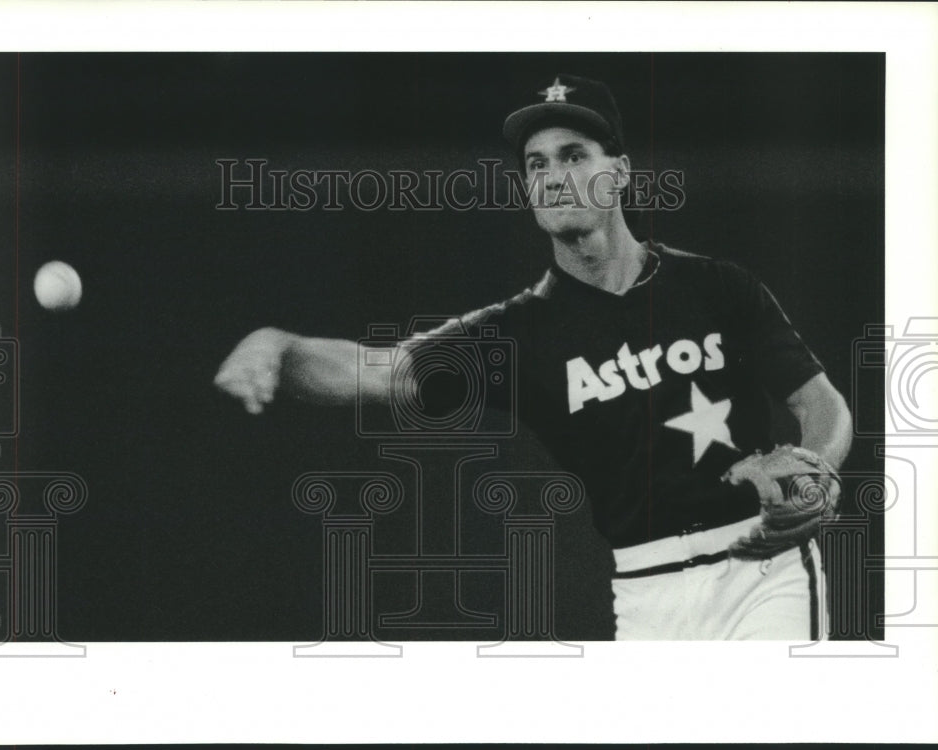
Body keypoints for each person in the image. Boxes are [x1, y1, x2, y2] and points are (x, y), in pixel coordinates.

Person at [214, 73, 853, 640]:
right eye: (536, 163)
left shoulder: (715, 287)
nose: (552, 175)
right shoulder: (517, 337)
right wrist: (278, 346)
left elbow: (819, 402)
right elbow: (374, 373)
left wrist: (817, 468)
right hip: (645, 590)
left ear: (621, 172)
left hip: (763, 569)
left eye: (574, 155)